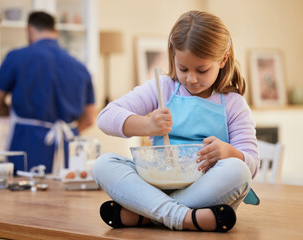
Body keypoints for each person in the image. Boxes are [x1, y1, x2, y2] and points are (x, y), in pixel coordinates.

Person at [93, 10, 259, 232]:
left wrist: (228, 152)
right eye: (183, 68)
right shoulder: (163, 87)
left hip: (204, 190)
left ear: (223, 60)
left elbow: (252, 165)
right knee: (104, 164)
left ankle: (148, 214)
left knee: (238, 172)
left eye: (202, 70)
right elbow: (105, 118)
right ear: (173, 57)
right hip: (155, 185)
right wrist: (147, 126)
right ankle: (183, 217)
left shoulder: (233, 103)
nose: (191, 78)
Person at [0, 11, 95, 175]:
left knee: (24, 196)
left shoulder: (17, 57)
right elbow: (88, 118)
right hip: (69, 151)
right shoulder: (80, 66)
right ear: (55, 32)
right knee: (66, 199)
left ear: (29, 30)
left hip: (27, 146)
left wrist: (15, 113)